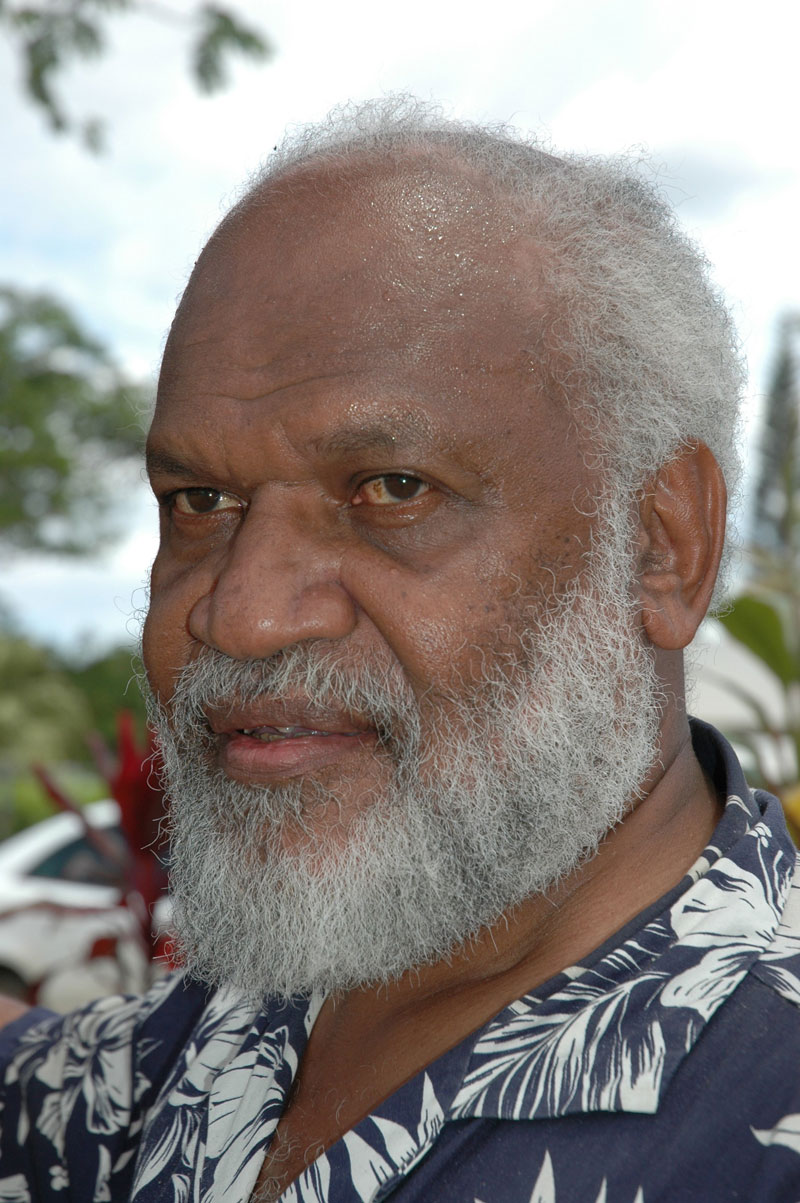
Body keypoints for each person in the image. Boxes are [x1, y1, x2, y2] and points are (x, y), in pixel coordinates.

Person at [2, 98, 799, 1203]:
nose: (243, 615)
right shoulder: (242, 1026)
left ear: (660, 546)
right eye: (199, 501)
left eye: (391, 488)